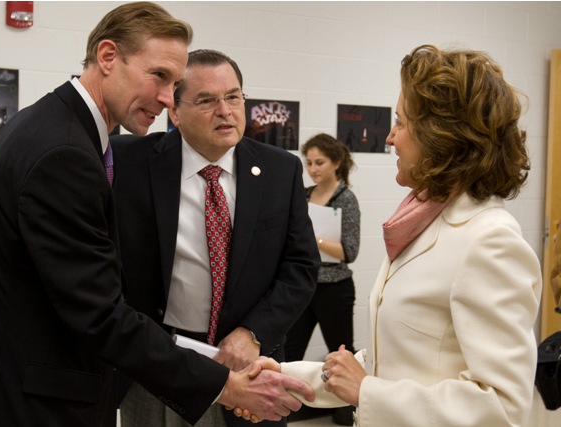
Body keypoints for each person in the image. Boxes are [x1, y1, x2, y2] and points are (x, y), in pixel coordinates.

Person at [0, 3, 314, 427]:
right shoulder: (72, 151)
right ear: (108, 57)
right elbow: (99, 312)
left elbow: (299, 265)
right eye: (160, 77)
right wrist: (226, 385)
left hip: (47, 380)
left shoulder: (53, 131)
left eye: (233, 96)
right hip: (40, 393)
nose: (166, 99)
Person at [245, 44, 543, 427]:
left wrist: (367, 391)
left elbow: (504, 408)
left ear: (441, 135)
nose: (388, 138)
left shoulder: (489, 242)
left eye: (401, 122)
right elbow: (399, 359)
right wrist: (283, 376)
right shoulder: (423, 224)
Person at [109, 49, 320, 427]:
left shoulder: (279, 169)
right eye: (206, 100)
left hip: (249, 366)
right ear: (174, 111)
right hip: (160, 366)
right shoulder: (128, 161)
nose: (225, 110)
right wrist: (0, 165)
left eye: (233, 96)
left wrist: (254, 333)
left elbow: (301, 267)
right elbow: (58, 163)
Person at [284, 133, 359, 425]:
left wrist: (313, 238)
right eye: (309, 163)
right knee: (290, 349)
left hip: (335, 288)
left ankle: (348, 407)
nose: (313, 169)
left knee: (341, 350)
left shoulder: (346, 199)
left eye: (320, 162)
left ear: (336, 163)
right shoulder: (303, 194)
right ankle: (289, 401)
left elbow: (349, 251)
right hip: (304, 285)